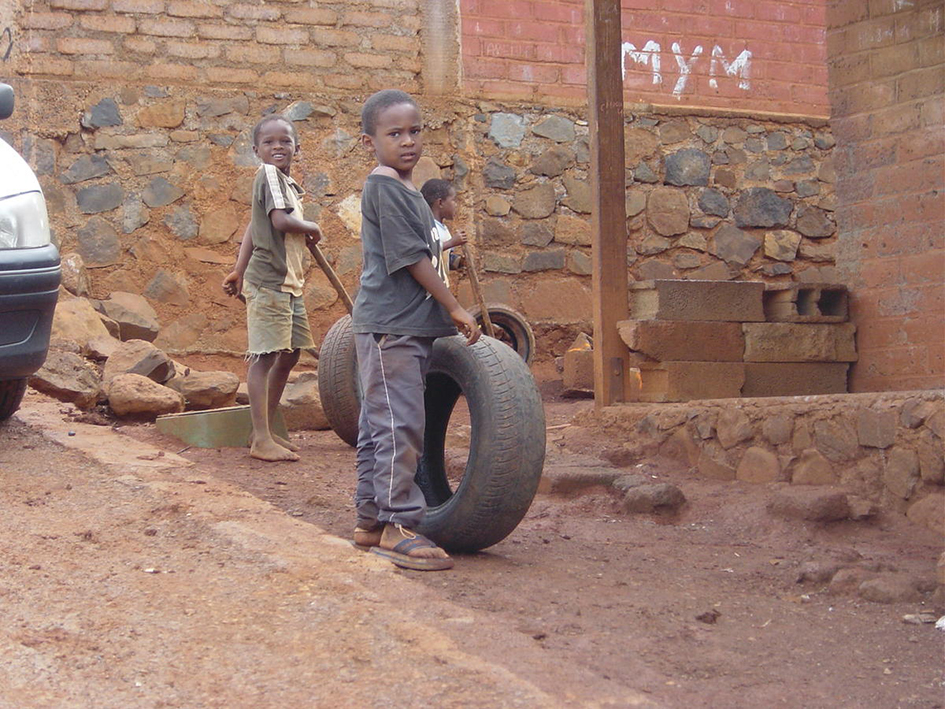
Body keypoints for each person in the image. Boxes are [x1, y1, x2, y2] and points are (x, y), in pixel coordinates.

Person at [351, 89, 480, 571]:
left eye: (414, 131)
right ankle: (397, 525)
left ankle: (370, 520)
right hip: (391, 327)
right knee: (399, 424)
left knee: (381, 423)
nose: (407, 142)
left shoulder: (409, 192)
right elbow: (411, 260)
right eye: (394, 134)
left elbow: (430, 249)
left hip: (403, 327)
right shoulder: (383, 187)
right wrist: (455, 308)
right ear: (371, 142)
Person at [222, 114, 323, 463]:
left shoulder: (285, 183)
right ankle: (261, 438)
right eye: (269, 142)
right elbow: (279, 221)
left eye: (285, 141)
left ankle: (265, 429)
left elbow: (256, 223)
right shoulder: (267, 174)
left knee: (291, 352)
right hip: (270, 282)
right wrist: (311, 225)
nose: (278, 146)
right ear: (256, 150)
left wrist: (237, 269)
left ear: (297, 146)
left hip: (288, 282)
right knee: (265, 356)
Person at [420, 178, 467, 277]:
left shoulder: (443, 229)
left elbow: (441, 259)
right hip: (429, 288)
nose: (456, 205)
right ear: (440, 203)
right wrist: (451, 243)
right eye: (453, 200)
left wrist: (458, 262)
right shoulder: (428, 227)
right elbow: (425, 253)